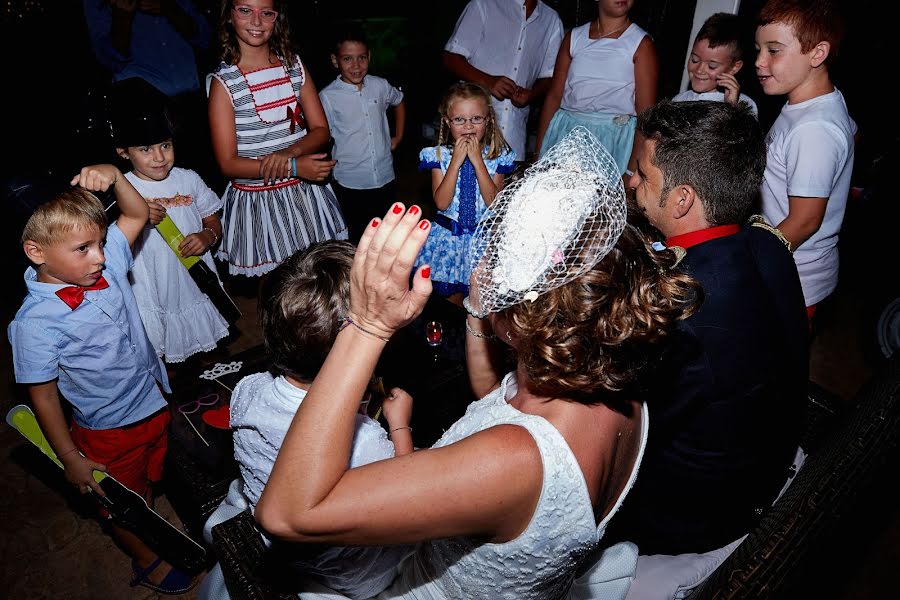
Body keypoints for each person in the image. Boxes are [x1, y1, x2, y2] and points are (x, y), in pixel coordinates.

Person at [253, 127, 701, 599]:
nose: (481, 260)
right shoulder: (613, 366)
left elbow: (286, 514)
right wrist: (476, 307)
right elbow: (501, 401)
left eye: (496, 260)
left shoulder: (511, 460)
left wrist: (367, 326)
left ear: (526, 320)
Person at [602, 100, 809, 586]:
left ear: (682, 200)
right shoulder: (765, 245)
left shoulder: (680, 309)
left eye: (642, 174)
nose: (631, 180)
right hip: (761, 457)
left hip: (698, 514)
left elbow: (625, 429)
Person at [7, 165, 194, 595]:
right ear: (37, 252)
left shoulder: (98, 266)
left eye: (99, 242)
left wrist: (116, 176)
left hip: (153, 402)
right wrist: (71, 457)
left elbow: (133, 215)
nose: (102, 256)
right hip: (109, 431)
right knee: (119, 507)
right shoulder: (34, 324)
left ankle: (146, 507)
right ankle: (146, 557)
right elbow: (45, 398)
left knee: (146, 482)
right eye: (83, 248)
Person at [209, 241, 413, 599]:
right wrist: (400, 425)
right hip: (358, 575)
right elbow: (409, 501)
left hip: (291, 553)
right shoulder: (365, 440)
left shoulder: (247, 389)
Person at [208, 0, 347, 278]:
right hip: (259, 202)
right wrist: (293, 167)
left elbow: (321, 129)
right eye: (245, 10)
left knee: (316, 273)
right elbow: (228, 163)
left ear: (277, 18)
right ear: (229, 16)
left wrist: (290, 153)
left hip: (304, 195)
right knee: (274, 282)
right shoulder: (225, 83)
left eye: (266, 13)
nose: (256, 21)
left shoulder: (294, 65)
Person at [108, 77, 230, 364]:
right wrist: (135, 216)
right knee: (160, 350)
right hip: (153, 284)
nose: (159, 157)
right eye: (145, 150)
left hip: (192, 279)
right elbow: (109, 240)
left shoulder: (188, 179)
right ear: (124, 152)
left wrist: (207, 236)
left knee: (207, 350)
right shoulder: (123, 189)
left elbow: (213, 220)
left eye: (165, 145)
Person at [756, 0, 856, 322]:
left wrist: (749, 264)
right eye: (758, 49)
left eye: (773, 51)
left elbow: (804, 221)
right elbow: (852, 132)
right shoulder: (817, 104)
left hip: (793, 278)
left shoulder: (814, 129)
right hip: (787, 270)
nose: (759, 61)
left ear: (817, 53)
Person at [83, 0, 219, 187]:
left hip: (194, 105)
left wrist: (170, 9)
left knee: (208, 183)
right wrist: (123, 16)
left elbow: (207, 39)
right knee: (154, 193)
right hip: (140, 111)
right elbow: (109, 61)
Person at [414, 82, 515, 302]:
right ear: (448, 122)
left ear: (488, 120)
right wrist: (456, 162)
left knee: (481, 302)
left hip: (483, 244)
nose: (468, 126)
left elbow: (495, 204)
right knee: (452, 302)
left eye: (476, 119)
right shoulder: (437, 156)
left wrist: (478, 161)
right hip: (449, 242)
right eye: (459, 120)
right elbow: (441, 203)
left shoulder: (497, 156)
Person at [535, 0, 658, 177]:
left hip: (612, 143)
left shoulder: (641, 44)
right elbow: (553, 98)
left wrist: (632, 171)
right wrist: (538, 155)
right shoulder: (573, 39)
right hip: (567, 138)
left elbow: (646, 114)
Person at [442, 0, 563, 161]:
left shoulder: (551, 20)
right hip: (470, 131)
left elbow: (551, 76)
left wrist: (532, 94)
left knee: (507, 185)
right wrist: (488, 82)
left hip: (514, 135)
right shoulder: (484, 5)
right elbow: (450, 57)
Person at [319, 26, 406, 244]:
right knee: (357, 239)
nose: (356, 66)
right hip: (350, 183)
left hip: (385, 176)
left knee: (387, 236)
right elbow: (321, 134)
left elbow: (399, 101)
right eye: (347, 59)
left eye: (362, 58)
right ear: (335, 60)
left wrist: (398, 136)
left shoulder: (380, 85)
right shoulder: (328, 96)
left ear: (369, 57)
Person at [672, 12, 759, 116]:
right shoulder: (678, 101)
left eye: (711, 66)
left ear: (734, 68)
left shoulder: (745, 106)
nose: (699, 70)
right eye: (694, 60)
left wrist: (731, 109)